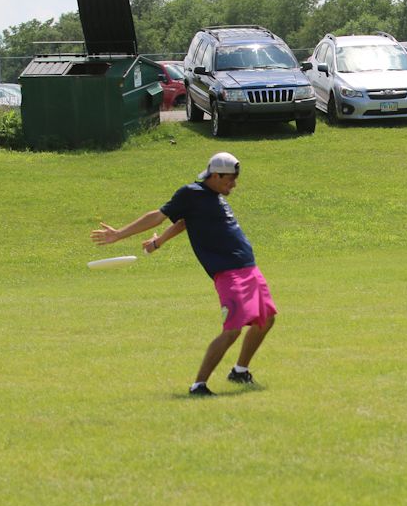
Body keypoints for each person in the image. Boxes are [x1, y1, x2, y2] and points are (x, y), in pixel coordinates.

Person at [90, 152, 277, 396]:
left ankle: (239, 371)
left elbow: (184, 223)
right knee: (232, 330)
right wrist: (119, 234)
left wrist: (158, 242)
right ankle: (198, 385)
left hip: (249, 268)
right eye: (230, 179)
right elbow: (158, 216)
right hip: (228, 273)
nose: (234, 184)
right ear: (216, 175)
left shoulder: (214, 197)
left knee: (267, 319)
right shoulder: (191, 193)